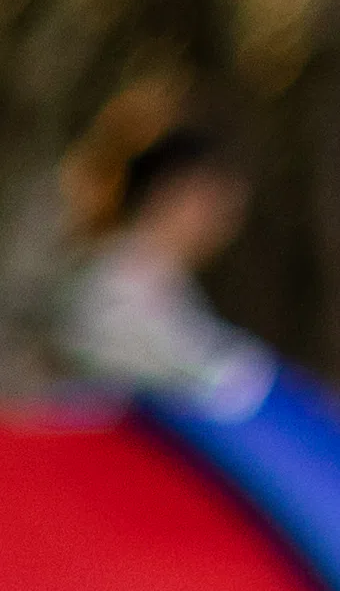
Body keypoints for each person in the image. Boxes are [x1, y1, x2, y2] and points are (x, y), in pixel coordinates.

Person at [53, 127, 263, 406]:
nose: (225, 225)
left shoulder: (163, 278)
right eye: (214, 204)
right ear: (167, 193)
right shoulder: (123, 277)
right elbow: (194, 371)